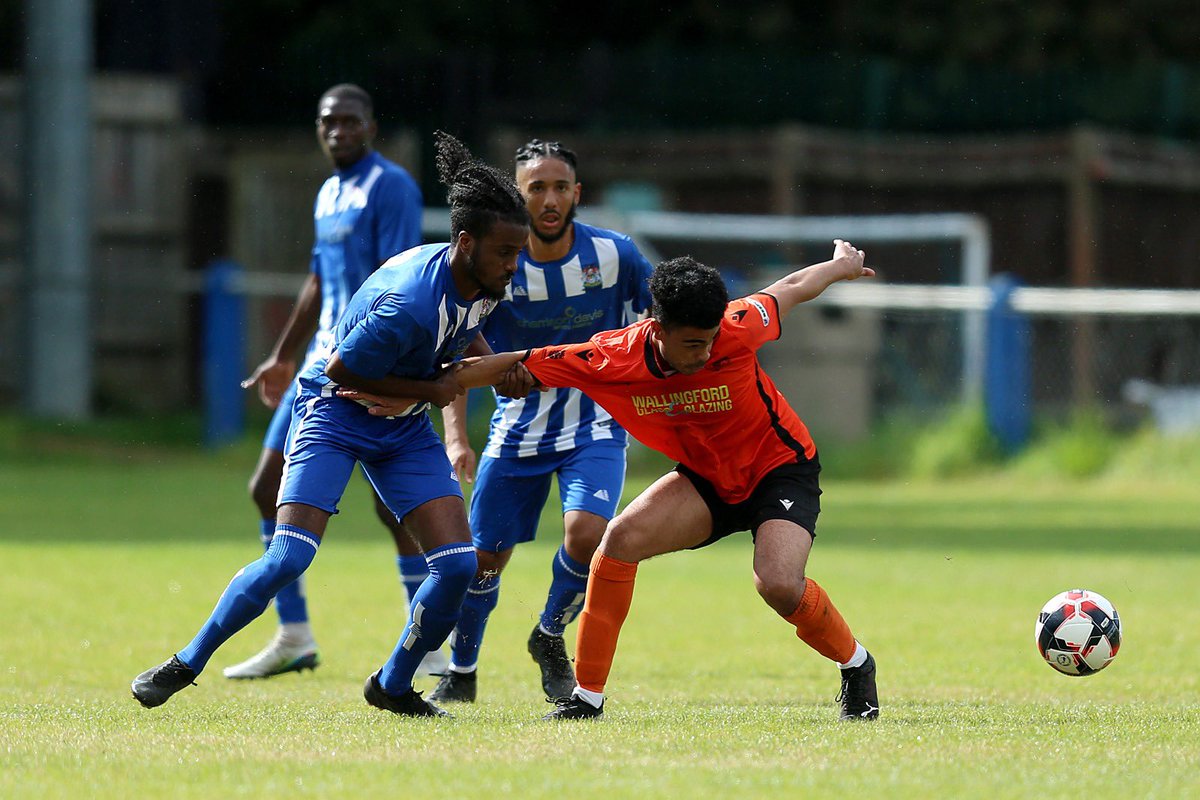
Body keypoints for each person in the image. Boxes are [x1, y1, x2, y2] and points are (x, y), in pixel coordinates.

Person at [340, 240, 881, 721]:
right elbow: (510, 361)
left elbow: (789, 287)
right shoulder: (612, 357)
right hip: (709, 482)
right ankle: (587, 697)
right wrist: (410, 391)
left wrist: (837, 266)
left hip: (779, 468)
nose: (708, 351)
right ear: (658, 328)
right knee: (616, 544)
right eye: (694, 343)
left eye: (713, 338)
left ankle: (856, 663)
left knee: (777, 584)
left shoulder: (737, 325)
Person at [131, 131, 531, 717]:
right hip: (333, 412)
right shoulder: (408, 302)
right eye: (505, 253)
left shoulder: (482, 282)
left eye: (517, 253)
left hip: (400, 426)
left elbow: (460, 339)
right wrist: (434, 388)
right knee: (290, 556)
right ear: (466, 243)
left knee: (459, 565)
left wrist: (503, 369)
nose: (513, 265)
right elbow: (343, 369)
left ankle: (393, 684)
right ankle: (185, 663)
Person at [229, 83, 446, 680]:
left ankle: (425, 641)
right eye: (328, 122)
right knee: (264, 488)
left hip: (366, 364)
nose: (338, 131)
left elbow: (401, 280)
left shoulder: (391, 187)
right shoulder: (328, 193)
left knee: (393, 505)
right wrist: (280, 356)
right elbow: (319, 280)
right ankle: (294, 635)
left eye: (350, 121)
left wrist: (393, 372)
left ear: (371, 127)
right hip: (316, 369)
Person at [431, 139, 655, 704]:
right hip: (517, 429)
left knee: (587, 533)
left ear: (577, 194)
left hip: (596, 423)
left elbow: (663, 317)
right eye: (536, 188)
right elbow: (456, 354)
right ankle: (461, 670)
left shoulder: (617, 255)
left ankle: (550, 634)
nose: (550, 199)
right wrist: (457, 438)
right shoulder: (497, 262)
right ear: (518, 194)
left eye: (560, 188)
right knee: (484, 559)